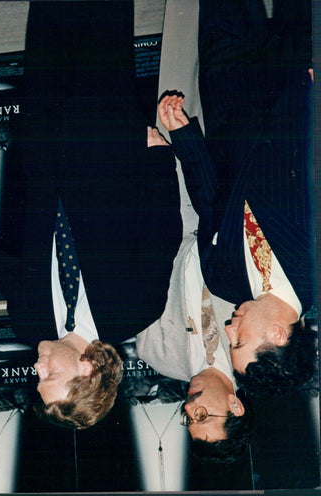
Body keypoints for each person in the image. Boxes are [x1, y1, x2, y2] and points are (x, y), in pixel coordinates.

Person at [7, 1, 183, 429]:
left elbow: (2, 256)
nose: (37, 369)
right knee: (104, 21)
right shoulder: (136, 310)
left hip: (42, 139)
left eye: (39, 378)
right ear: (86, 370)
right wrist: (159, 160)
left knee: (48, 20)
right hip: (105, 136)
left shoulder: (26, 321)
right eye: (50, 376)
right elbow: (161, 235)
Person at [157, 0, 314, 396]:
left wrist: (185, 138)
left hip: (229, 96)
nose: (229, 329)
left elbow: (210, 203)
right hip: (298, 85)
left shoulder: (224, 280)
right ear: (279, 334)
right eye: (240, 340)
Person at [137, 236, 252, 463]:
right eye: (201, 416)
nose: (189, 407)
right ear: (235, 405)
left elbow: (139, 270)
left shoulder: (154, 353)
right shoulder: (254, 346)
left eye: (188, 419)